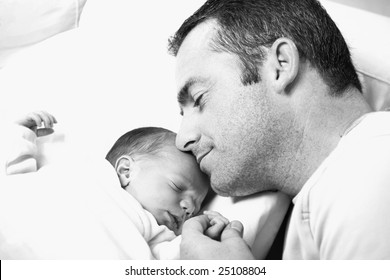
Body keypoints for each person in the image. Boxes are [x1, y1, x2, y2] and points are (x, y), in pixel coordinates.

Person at [168, 0, 390, 259]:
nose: (181, 140)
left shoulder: (372, 167)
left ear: (281, 65)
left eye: (198, 98)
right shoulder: (341, 181)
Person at [3, 111, 228, 259]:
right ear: (125, 170)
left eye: (196, 207)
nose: (189, 208)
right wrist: (20, 134)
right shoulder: (80, 171)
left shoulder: (156, 231)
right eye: (177, 187)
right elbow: (18, 183)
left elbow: (171, 259)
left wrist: (200, 234)